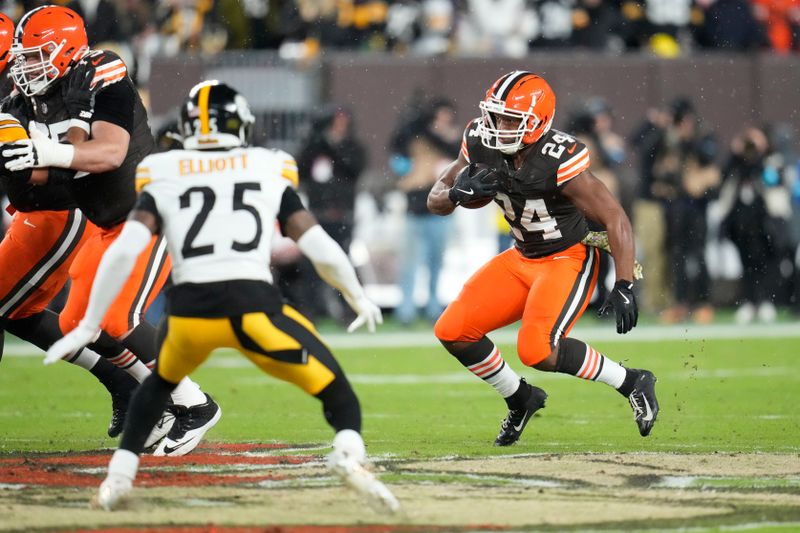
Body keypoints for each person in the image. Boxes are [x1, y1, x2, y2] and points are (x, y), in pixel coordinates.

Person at [46, 80, 399, 514]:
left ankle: (118, 479)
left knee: (159, 389)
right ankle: (348, 455)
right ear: (241, 125)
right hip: (253, 308)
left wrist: (87, 322)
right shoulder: (267, 166)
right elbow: (319, 245)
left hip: (190, 313)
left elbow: (124, 251)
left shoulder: (164, 170)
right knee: (338, 393)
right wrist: (356, 295)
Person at [2, 5, 219, 455]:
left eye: (37, 55)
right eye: (23, 58)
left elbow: (110, 153)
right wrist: (20, 159)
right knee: (76, 322)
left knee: (118, 318)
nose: (25, 67)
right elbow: (41, 178)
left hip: (149, 212)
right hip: (104, 223)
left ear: (65, 50)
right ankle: (157, 398)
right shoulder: (30, 101)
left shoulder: (103, 74)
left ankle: (195, 403)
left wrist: (44, 152)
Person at [427, 71, 659, 446]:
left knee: (537, 349)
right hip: (521, 256)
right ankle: (520, 398)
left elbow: (615, 216)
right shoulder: (480, 141)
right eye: (495, 116)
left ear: (537, 123)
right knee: (452, 330)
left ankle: (633, 381)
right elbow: (434, 199)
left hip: (567, 257)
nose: (498, 127)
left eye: (510, 120)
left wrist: (625, 283)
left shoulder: (556, 159)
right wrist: (456, 193)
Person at [0, 10, 140, 439]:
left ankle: (152, 388)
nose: (25, 66)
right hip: (35, 204)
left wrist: (37, 158)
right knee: (17, 311)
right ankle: (125, 383)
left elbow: (57, 161)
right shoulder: (25, 82)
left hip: (56, 206)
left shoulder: (35, 85)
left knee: (81, 315)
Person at [394, 97, 459, 325]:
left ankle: (432, 307)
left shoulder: (449, 139)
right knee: (410, 264)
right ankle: (407, 311)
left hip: (441, 209)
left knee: (435, 262)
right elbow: (398, 145)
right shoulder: (417, 137)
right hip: (416, 208)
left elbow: (453, 150)